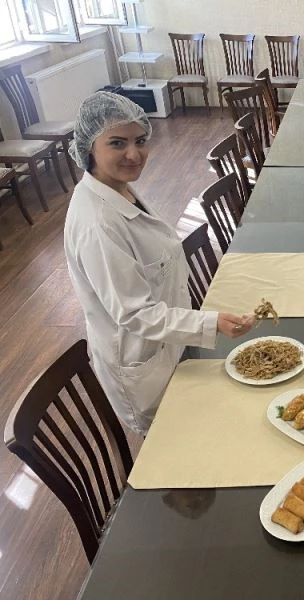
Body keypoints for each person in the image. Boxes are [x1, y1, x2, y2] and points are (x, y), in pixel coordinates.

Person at [65, 91, 255, 434]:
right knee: (179, 445)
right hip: (144, 368)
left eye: (140, 140)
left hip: (171, 345)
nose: (134, 154)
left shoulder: (118, 189)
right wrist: (210, 323)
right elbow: (135, 314)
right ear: (88, 148)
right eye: (117, 143)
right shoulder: (98, 224)